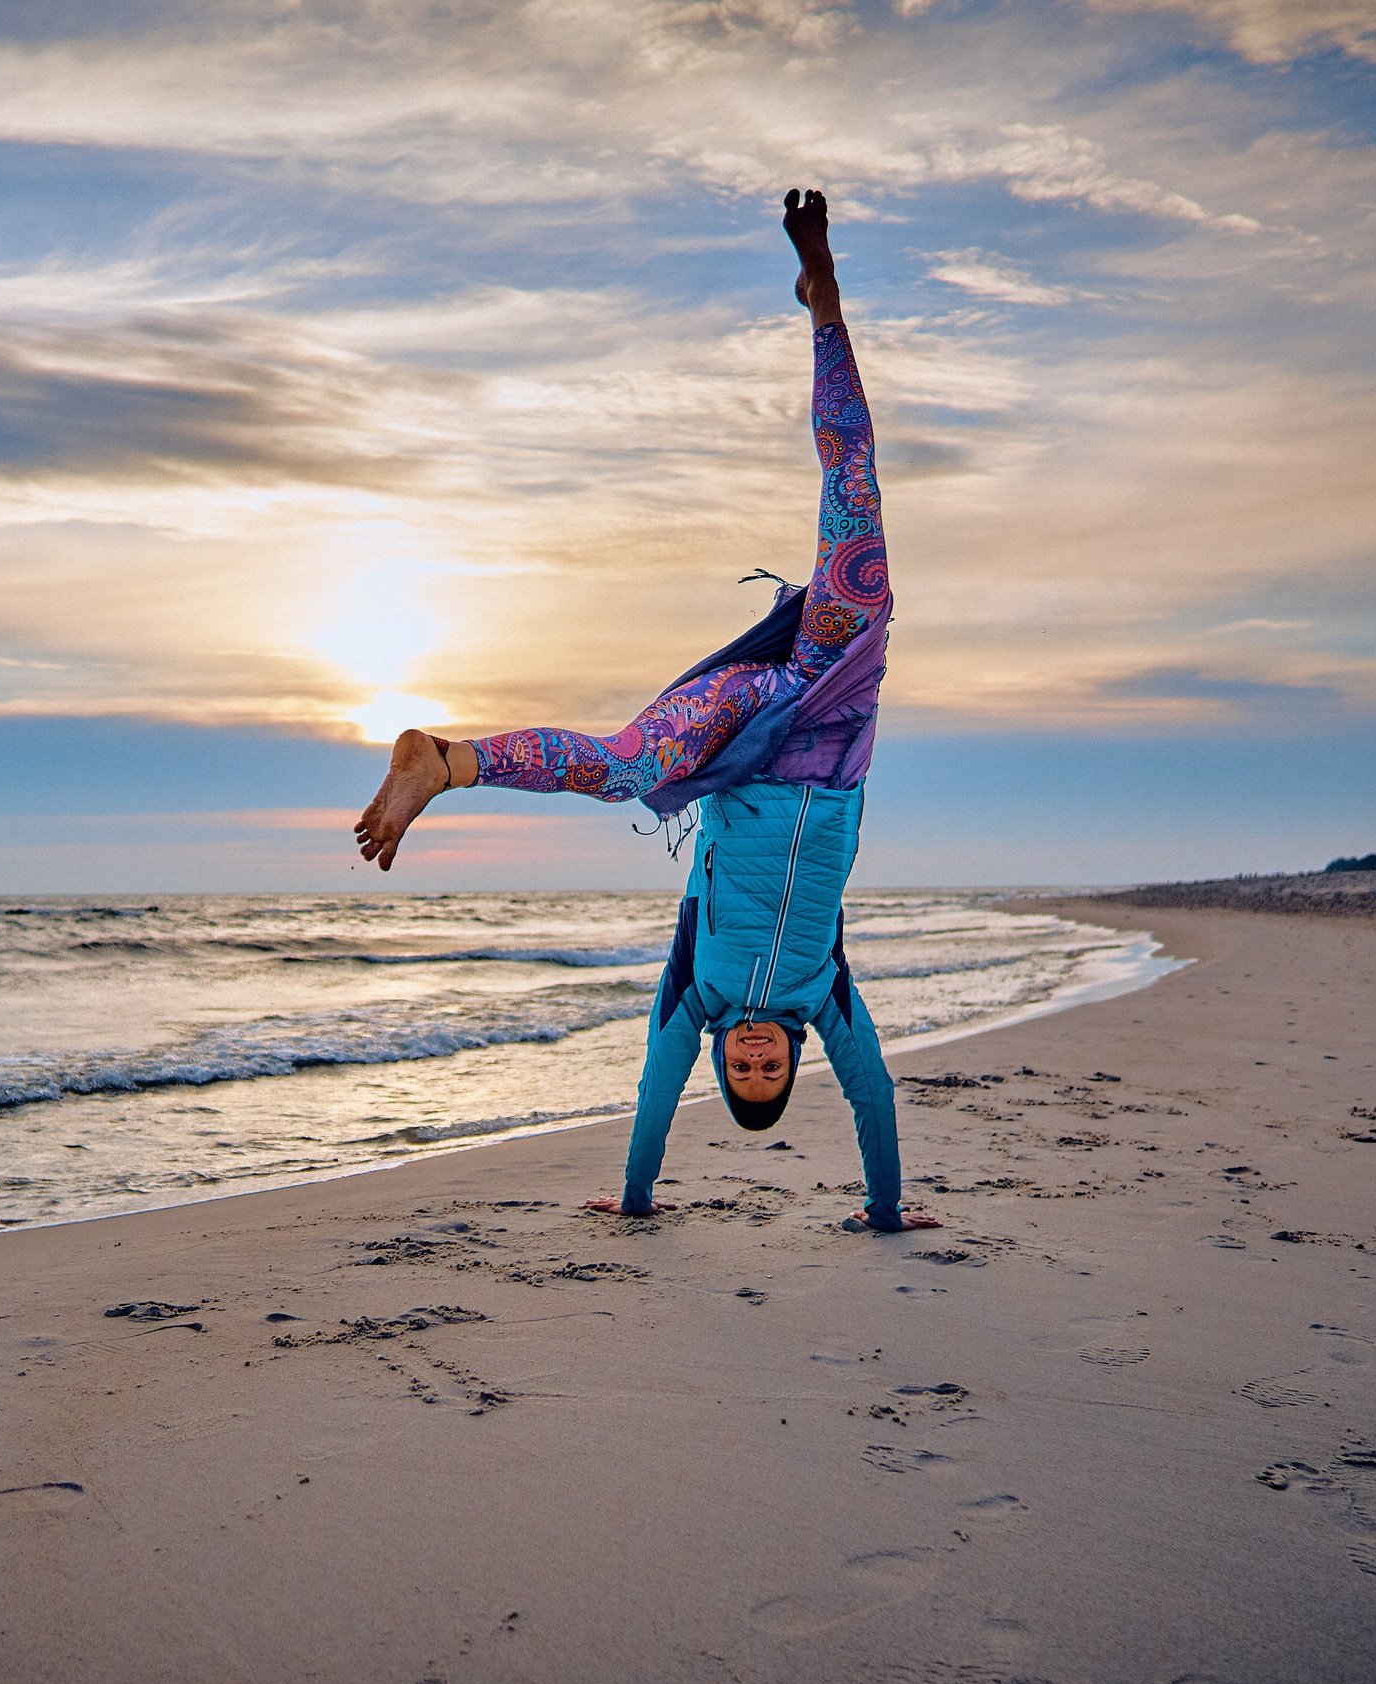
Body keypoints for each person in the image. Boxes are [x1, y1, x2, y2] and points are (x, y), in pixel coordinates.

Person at [352, 189, 939, 1233]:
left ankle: (445, 760)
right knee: (854, 486)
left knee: (629, 768)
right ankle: (824, 302)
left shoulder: (694, 994)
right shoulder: (827, 996)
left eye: (740, 1071)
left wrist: (633, 1202)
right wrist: (886, 1210)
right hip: (833, 713)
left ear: (721, 1060)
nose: (753, 1057)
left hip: (741, 741)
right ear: (793, 1054)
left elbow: (652, 1094)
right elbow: (874, 1096)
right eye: (769, 1068)